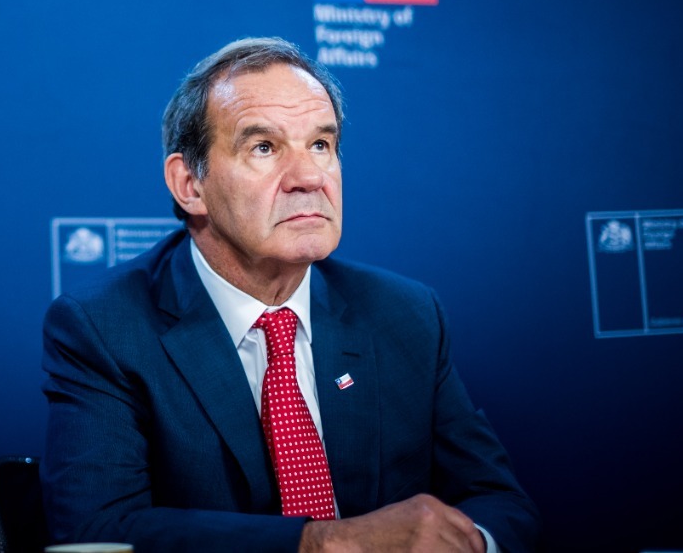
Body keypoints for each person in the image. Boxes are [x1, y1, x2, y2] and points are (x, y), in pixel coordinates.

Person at [41, 37, 540, 552]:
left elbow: (497, 501)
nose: (309, 178)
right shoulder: (106, 327)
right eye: (264, 147)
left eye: (321, 145)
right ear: (189, 184)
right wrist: (323, 543)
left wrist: (469, 543)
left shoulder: (406, 314)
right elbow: (97, 531)